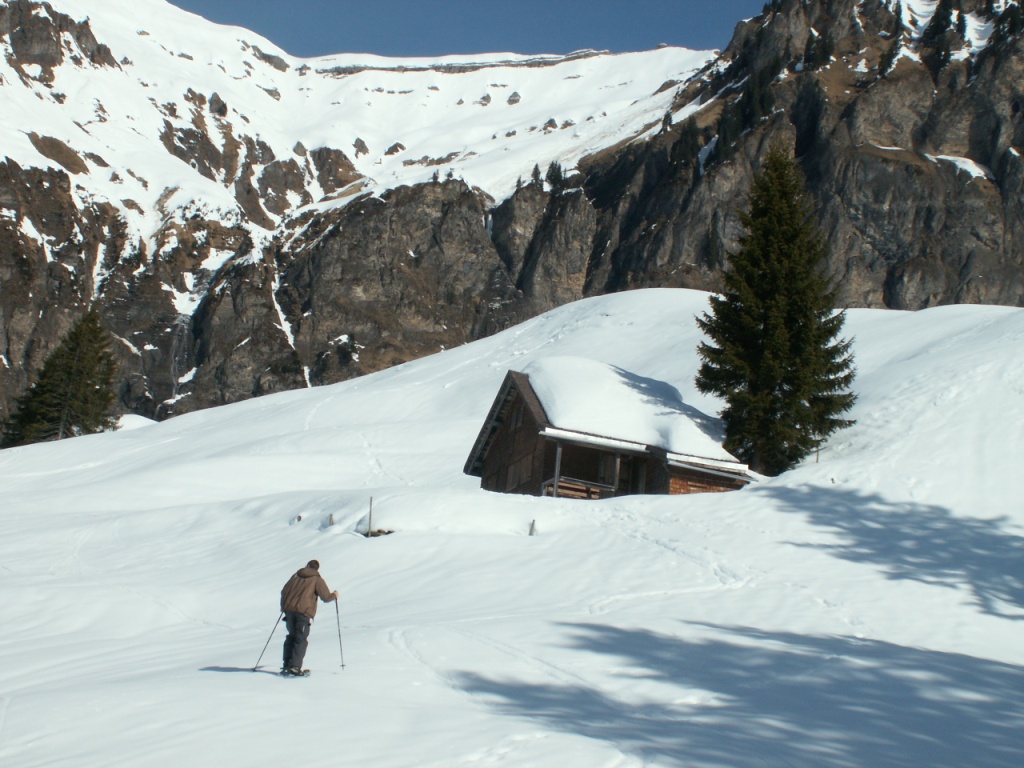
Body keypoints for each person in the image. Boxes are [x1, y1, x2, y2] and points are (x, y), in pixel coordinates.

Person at [279, 559, 338, 676]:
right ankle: (295, 668)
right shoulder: (317, 579)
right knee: (300, 639)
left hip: (289, 611)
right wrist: (334, 595)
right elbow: (325, 597)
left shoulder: (295, 576)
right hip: (304, 612)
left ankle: (287, 664)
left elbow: (284, 591)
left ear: (307, 565)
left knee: (291, 636)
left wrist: (284, 606)